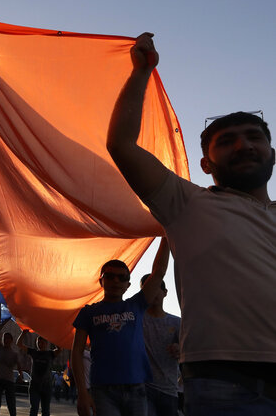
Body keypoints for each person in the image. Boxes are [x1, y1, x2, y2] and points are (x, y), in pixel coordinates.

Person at [106, 32, 276, 415]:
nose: (243, 146)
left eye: (253, 137)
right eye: (226, 141)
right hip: (227, 384)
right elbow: (121, 145)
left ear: (272, 154)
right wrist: (141, 73)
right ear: (206, 165)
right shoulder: (187, 204)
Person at [71, 238, 169, 416]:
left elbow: (159, 272)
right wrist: (82, 393)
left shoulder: (136, 305)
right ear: (101, 281)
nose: (115, 280)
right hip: (103, 390)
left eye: (121, 277)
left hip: (137, 388)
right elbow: (76, 352)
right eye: (109, 276)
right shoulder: (88, 312)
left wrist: (167, 235)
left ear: (128, 285)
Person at [139, 267, 180, 416]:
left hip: (169, 388)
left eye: (156, 288)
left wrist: (179, 348)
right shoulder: (136, 320)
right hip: (142, 388)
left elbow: (188, 349)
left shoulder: (176, 323)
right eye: (147, 289)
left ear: (165, 292)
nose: (153, 292)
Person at [18, 330, 61, 416]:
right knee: (34, 409)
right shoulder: (34, 352)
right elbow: (19, 344)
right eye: (38, 342)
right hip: (35, 386)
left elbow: (59, 349)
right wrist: (23, 333)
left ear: (46, 343)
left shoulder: (50, 354)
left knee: (45, 411)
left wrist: (52, 337)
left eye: (42, 342)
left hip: (47, 386)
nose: (40, 344)